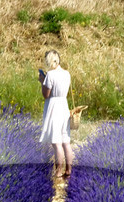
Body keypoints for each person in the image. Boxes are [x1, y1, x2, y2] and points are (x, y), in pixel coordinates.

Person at [37, 50, 84, 179]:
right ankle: (68, 170)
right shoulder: (66, 74)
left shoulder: (50, 75)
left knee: (56, 142)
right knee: (66, 141)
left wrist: (42, 81)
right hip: (64, 106)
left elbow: (46, 95)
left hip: (53, 107)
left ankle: (58, 171)